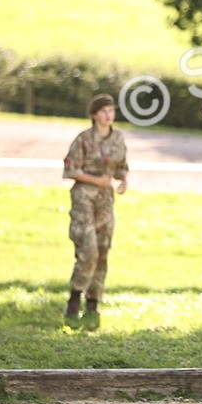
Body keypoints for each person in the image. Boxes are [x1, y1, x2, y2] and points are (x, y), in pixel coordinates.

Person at [62, 93, 129, 318]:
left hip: (106, 201)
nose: (108, 115)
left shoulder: (118, 138)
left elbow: (121, 166)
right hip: (84, 198)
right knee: (88, 250)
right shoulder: (83, 139)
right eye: (103, 111)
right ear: (93, 115)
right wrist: (97, 181)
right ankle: (74, 298)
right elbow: (71, 169)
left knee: (102, 251)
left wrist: (123, 180)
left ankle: (93, 301)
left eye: (111, 111)